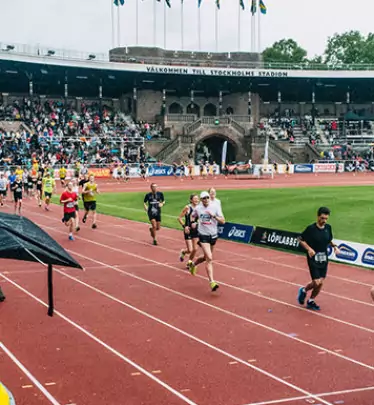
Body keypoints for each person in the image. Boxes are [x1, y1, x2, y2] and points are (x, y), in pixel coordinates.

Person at [297, 207, 340, 311]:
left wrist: (334, 246)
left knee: (321, 282)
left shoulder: (328, 228)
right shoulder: (311, 229)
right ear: (317, 216)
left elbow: (329, 240)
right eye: (322, 218)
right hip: (313, 258)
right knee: (316, 282)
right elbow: (299, 239)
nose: (324, 221)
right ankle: (303, 289)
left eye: (326, 218)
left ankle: (311, 300)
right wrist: (309, 249)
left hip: (324, 258)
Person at [188, 191, 225, 292]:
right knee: (209, 257)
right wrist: (193, 223)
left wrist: (214, 216)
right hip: (203, 235)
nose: (206, 200)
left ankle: (194, 265)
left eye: (207, 198)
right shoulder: (198, 208)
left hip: (213, 235)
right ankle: (212, 282)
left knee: (205, 257)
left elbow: (223, 221)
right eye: (204, 198)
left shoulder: (215, 207)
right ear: (201, 199)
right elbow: (192, 215)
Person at [178, 194, 200, 267]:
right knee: (190, 250)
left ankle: (189, 263)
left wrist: (197, 223)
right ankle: (183, 252)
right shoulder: (187, 208)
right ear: (191, 200)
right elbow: (179, 218)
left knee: (195, 249)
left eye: (197, 198)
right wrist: (184, 227)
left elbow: (201, 219)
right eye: (195, 199)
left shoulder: (199, 208)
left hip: (195, 230)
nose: (197, 200)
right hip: (188, 230)